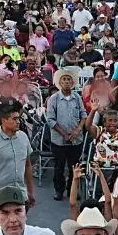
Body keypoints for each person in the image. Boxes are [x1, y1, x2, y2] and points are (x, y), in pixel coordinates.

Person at [0, 100, 35, 216]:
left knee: (20, 229)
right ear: (4, 121)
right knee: (0, 231)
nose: (18, 122)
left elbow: (28, 166)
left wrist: (30, 191)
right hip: (0, 196)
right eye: (14, 119)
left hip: (21, 193)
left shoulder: (23, 137)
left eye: (18, 118)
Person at [46, 69, 88, 201]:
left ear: (73, 82)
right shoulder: (54, 98)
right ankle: (59, 190)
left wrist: (78, 130)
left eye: (69, 79)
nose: (66, 82)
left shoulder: (77, 97)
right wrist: (64, 134)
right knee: (59, 167)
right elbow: (50, 119)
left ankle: (73, 190)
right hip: (59, 139)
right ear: (59, 82)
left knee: (74, 166)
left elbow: (83, 115)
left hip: (76, 139)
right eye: (64, 79)